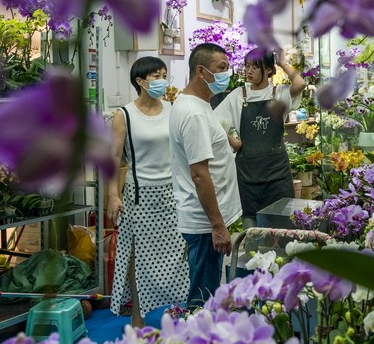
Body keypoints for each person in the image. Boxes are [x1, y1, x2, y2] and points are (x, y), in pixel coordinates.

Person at [107, 56, 189, 328]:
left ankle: (178, 311)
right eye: (155, 75)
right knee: (137, 256)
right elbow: (115, 159)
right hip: (139, 197)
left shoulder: (173, 109)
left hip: (172, 195)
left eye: (163, 74)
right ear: (140, 81)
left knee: (178, 256)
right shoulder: (124, 115)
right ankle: (138, 315)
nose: (162, 80)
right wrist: (113, 196)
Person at [170, 43, 243, 307]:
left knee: (209, 291)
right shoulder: (193, 114)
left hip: (208, 221)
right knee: (203, 299)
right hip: (204, 225)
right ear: (201, 71)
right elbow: (199, 174)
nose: (226, 74)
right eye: (220, 68)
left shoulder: (200, 106)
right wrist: (217, 225)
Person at [214, 49, 305, 232]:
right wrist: (233, 141)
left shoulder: (279, 93)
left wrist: (283, 63)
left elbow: (300, 84)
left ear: (270, 70)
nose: (249, 71)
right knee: (251, 233)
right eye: (247, 66)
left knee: (282, 232)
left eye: (256, 67)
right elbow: (212, 122)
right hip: (248, 177)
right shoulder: (238, 95)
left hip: (278, 176)